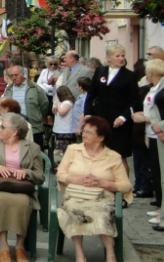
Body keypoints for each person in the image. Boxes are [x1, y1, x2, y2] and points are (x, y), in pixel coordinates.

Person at [56, 116, 132, 262]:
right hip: (76, 194)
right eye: (84, 131)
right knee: (75, 210)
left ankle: (110, 254)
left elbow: (125, 185)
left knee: (102, 213)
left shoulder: (113, 157)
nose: (84, 135)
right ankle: (79, 254)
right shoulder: (73, 150)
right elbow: (61, 174)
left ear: (101, 137)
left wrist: (102, 183)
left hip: (102, 196)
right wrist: (76, 179)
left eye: (89, 133)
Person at [0, 113, 45, 262]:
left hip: (21, 186)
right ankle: (4, 245)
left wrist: (27, 172)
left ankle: (19, 245)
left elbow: (40, 175)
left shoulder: (33, 148)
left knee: (23, 202)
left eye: (2, 127)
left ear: (14, 131)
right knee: (1, 199)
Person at [84, 45, 139, 176]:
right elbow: (91, 95)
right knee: (100, 154)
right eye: (117, 56)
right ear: (109, 58)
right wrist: (87, 114)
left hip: (119, 122)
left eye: (122, 55)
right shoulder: (100, 72)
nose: (121, 58)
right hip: (101, 119)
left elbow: (135, 101)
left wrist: (123, 117)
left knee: (119, 156)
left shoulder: (129, 76)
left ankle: (123, 189)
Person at [132, 58, 164, 227]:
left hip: (157, 131)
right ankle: (160, 206)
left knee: (160, 172)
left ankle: (161, 210)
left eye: (148, 71)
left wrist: (144, 118)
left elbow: (158, 115)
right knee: (156, 172)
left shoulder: (161, 90)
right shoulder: (152, 89)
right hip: (150, 132)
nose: (146, 74)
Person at [2, 64, 50, 149]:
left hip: (33, 127)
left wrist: (37, 116)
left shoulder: (35, 88)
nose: (13, 77)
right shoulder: (9, 90)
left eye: (16, 75)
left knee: (35, 154)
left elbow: (44, 105)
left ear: (22, 74)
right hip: (14, 128)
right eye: (11, 75)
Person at [52, 85, 76, 156]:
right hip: (60, 129)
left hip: (66, 130)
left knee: (66, 150)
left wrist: (58, 104)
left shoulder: (68, 102)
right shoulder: (62, 102)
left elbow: (62, 112)